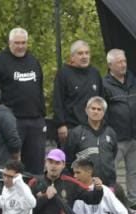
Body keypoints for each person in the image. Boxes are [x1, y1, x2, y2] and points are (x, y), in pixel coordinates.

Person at [0, 28, 48, 175]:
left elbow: (39, 89)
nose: (20, 46)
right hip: (12, 121)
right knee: (12, 165)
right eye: (17, 43)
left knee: (36, 166)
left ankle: (34, 195)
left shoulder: (34, 61)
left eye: (23, 43)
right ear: (9, 43)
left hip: (35, 121)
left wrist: (42, 116)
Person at [54, 41, 105, 145]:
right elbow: (57, 101)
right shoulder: (63, 74)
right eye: (80, 53)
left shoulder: (95, 73)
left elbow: (102, 99)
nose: (84, 56)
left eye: (87, 53)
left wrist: (102, 123)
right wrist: (61, 124)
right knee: (72, 161)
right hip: (72, 129)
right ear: (72, 57)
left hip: (93, 128)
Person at [103, 49, 136, 197]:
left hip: (134, 136)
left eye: (124, 61)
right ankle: (113, 201)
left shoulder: (133, 79)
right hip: (116, 137)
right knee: (112, 172)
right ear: (110, 65)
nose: (123, 65)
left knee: (134, 172)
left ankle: (134, 205)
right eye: (119, 62)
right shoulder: (104, 84)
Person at [66, 97, 119, 187]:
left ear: (103, 112)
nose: (96, 111)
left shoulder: (110, 132)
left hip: (107, 185)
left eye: (99, 109)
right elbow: (69, 159)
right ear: (86, 110)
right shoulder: (76, 133)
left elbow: (113, 154)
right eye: (93, 108)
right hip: (83, 185)